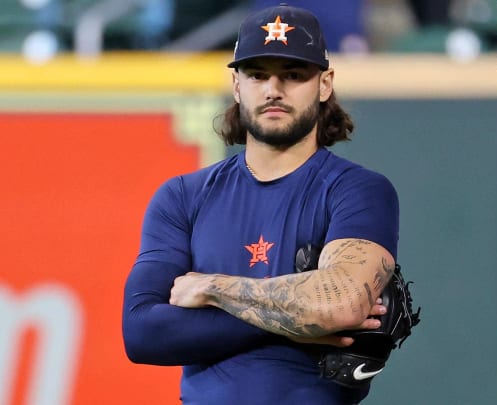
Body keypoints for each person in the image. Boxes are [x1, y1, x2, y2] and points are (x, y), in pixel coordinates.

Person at [122, 4, 399, 404]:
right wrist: (298, 315)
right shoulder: (183, 195)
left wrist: (214, 287)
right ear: (237, 85)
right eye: (257, 74)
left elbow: (341, 304)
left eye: (293, 74)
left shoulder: (358, 190)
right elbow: (143, 333)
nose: (273, 89)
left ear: (324, 84)